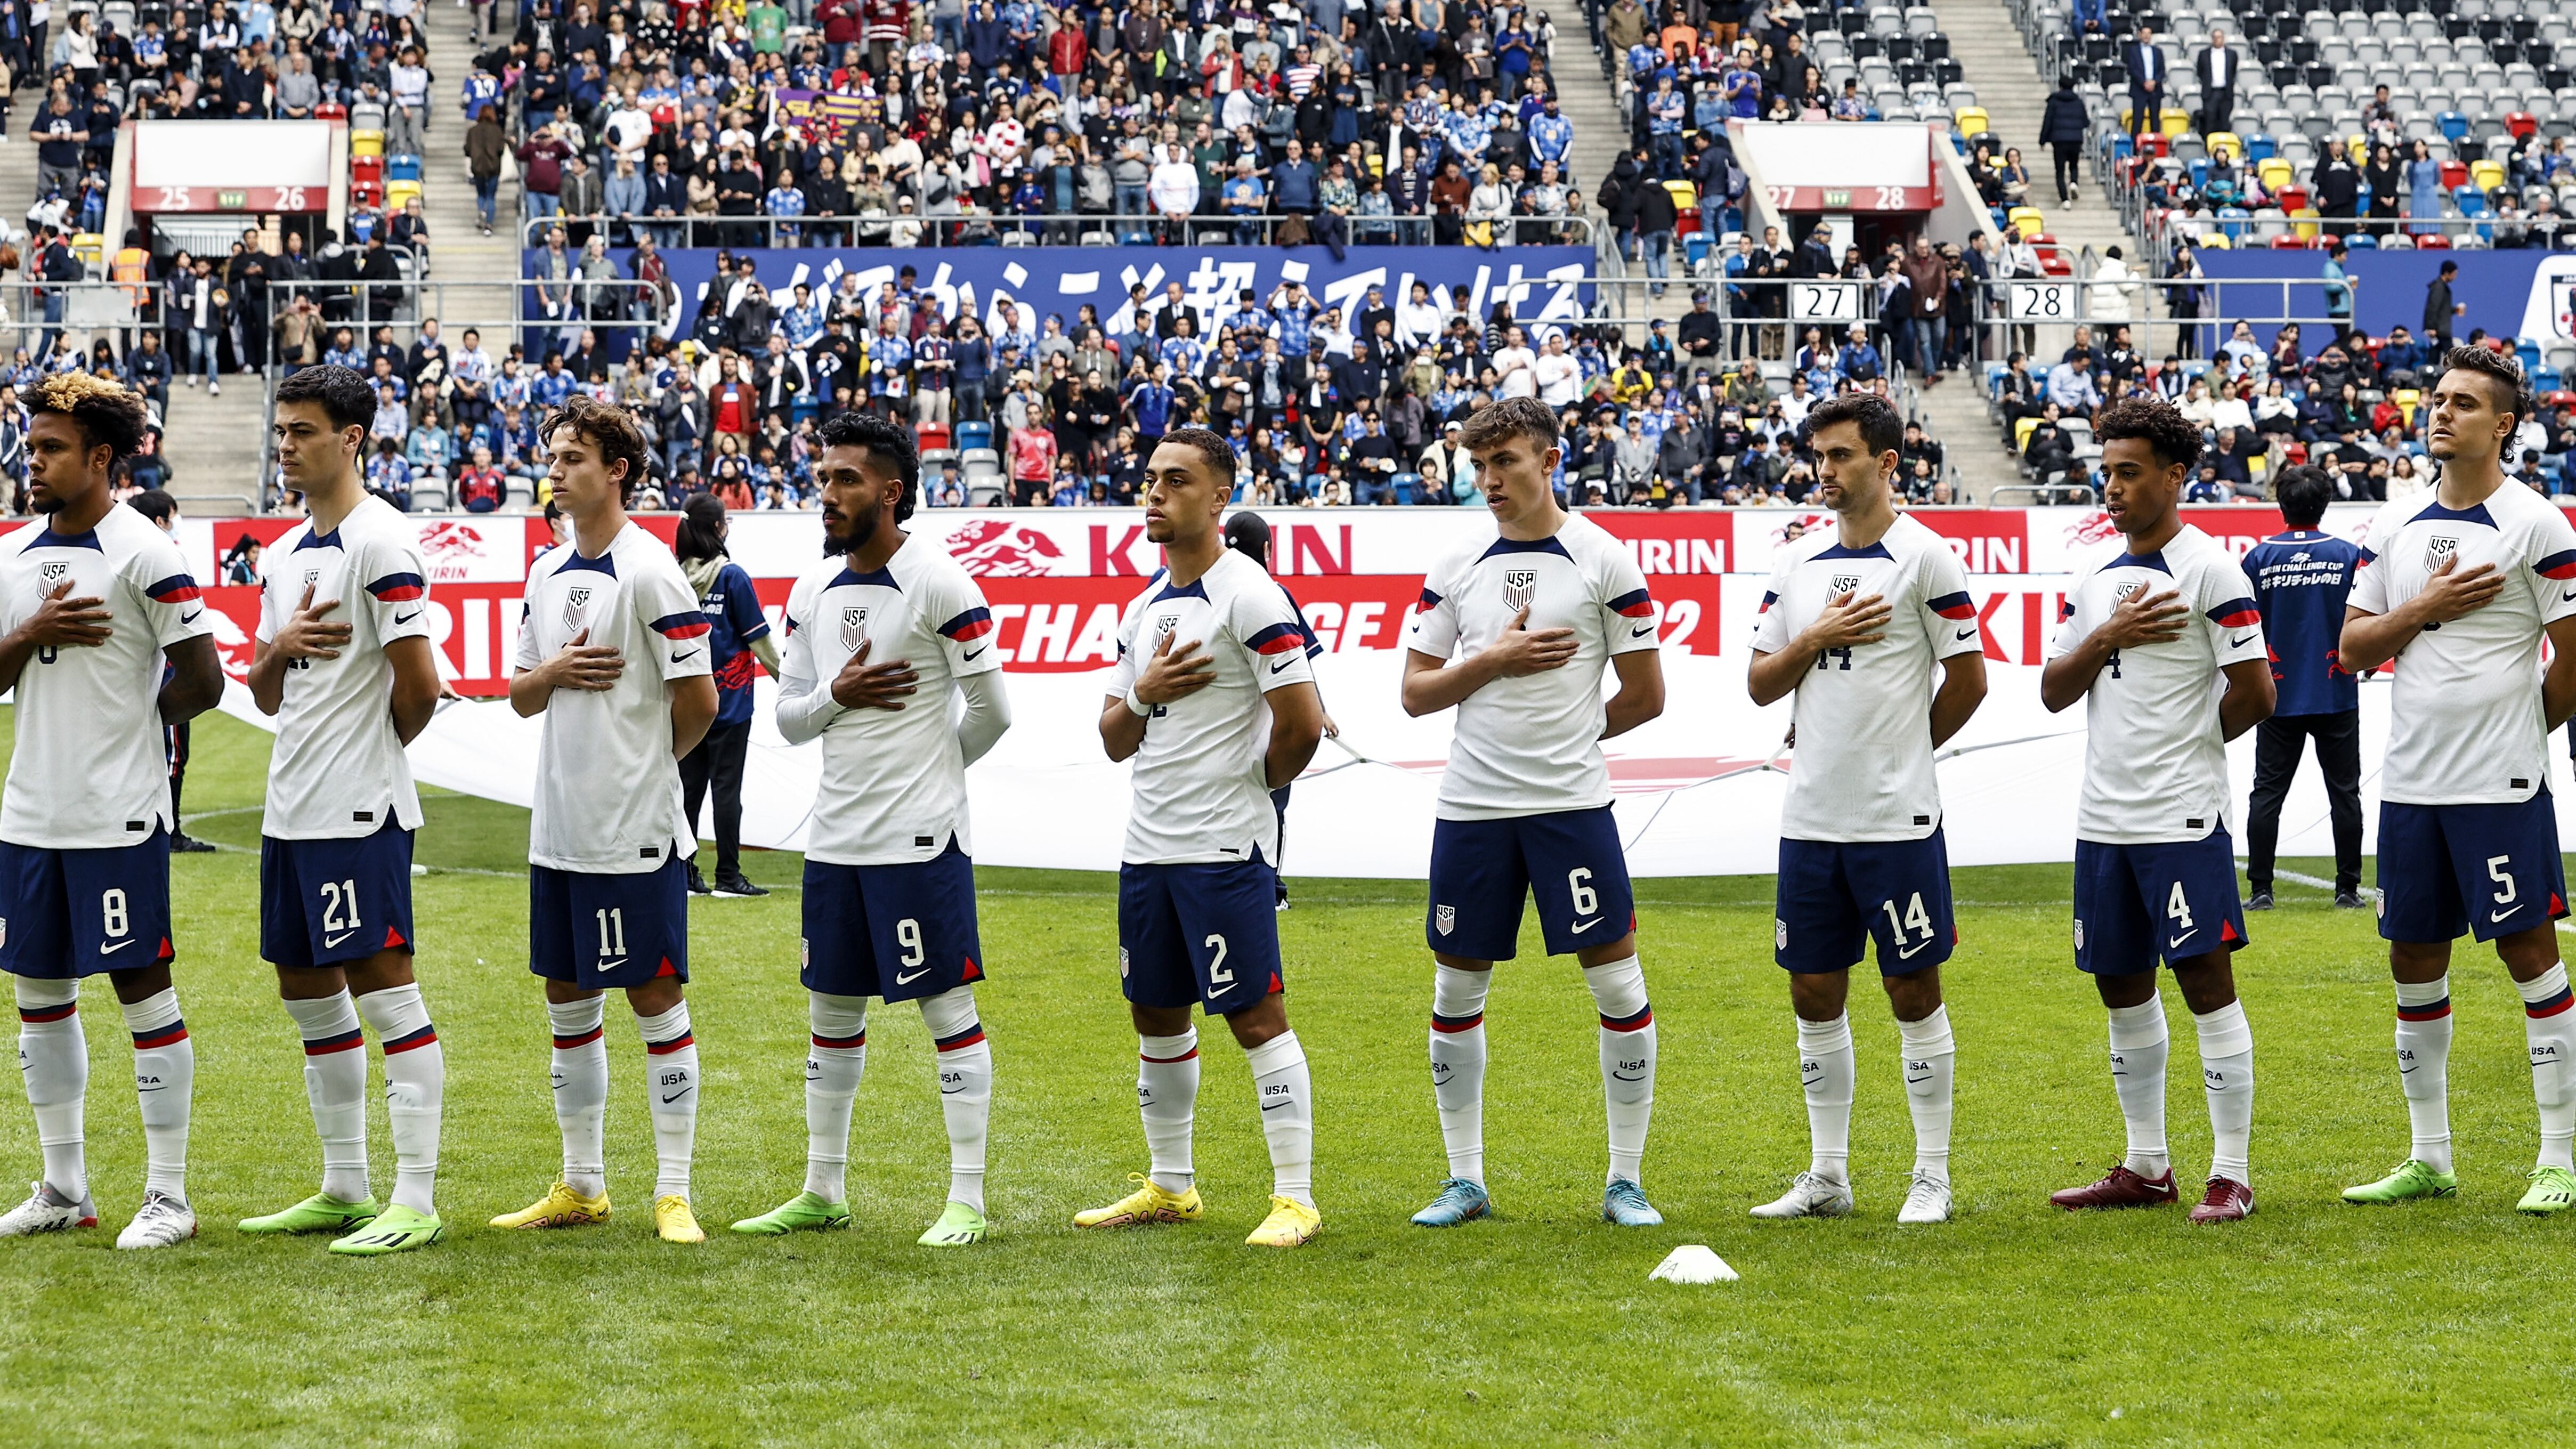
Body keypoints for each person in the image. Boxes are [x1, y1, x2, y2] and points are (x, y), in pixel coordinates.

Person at [732, 412, 1011, 1248]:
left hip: (919, 840)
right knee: (831, 1011)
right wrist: (836, 699)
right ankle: (823, 1189)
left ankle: (965, 1196)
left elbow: (994, 712)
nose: (827, 494)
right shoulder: (811, 588)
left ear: (890, 492)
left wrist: (931, 777)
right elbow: (787, 719)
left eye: (845, 480)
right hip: (835, 842)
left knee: (945, 1006)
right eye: (823, 477)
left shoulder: (941, 582)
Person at [1397, 395, 1670, 1229]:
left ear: (1549, 461)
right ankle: (1464, 1180)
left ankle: (1625, 1179)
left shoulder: (1603, 559)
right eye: (1479, 466)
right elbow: (1414, 694)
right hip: (1473, 808)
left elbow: (1646, 696)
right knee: (1455, 984)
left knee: (1617, 980)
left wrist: (1568, 738)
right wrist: (1492, 659)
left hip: (1569, 808)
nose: (1489, 480)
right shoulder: (1455, 564)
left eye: (1505, 463)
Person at [1075, 426, 1328, 1249]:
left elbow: (1303, 725)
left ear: (1219, 497)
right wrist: (1143, 692)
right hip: (1148, 846)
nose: (1154, 492)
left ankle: (1295, 1197)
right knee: (1155, 1013)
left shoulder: (1250, 594)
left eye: (1175, 480)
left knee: (1254, 1017)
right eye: (1149, 478)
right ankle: (1170, 1183)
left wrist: (1249, 789)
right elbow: (1114, 736)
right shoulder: (1143, 606)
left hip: (1223, 849)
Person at [2337, 346, 2576, 1216]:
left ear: (2501, 423)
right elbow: (2352, 649)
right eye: (2436, 398)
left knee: (2528, 958)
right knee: (2411, 959)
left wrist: (2515, 732)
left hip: (2499, 784)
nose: (2439, 412)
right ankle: (2427, 1156)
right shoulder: (2391, 530)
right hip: (2408, 785)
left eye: (2462, 403)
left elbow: (2570, 667)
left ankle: (2555, 1158)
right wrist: (2421, 608)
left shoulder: (2536, 524)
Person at [1744, 392, 1987, 1224]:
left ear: (1887, 463)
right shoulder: (1797, 563)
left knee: (1912, 988)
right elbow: (1758, 681)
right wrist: (1813, 639)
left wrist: (1906, 753)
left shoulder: (1927, 557)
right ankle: (1828, 1175)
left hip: (1896, 820)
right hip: (1810, 816)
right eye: (1818, 455)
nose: (1824, 471)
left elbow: (1968, 681)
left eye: (1841, 455)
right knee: (1813, 990)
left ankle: (1931, 1174)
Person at [2038, 396, 2275, 1223]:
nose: (2111, 487)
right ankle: (2146, 1165)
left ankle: (2231, 1172)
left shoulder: (2211, 571)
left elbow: (2256, 692)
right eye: (2104, 472)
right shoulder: (2091, 578)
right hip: (2102, 819)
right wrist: (2107, 635)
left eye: (2128, 472)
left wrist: (2190, 752)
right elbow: (2052, 692)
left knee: (2205, 983)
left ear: (2175, 477)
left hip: (2179, 819)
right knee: (2120, 987)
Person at [0, 375, 222, 1248]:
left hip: (118, 817)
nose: (34, 460)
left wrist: (133, 729)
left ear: (101, 457)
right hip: (27, 816)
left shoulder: (146, 553)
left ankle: (168, 1193)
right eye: (33, 443)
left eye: (52, 447)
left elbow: (204, 679)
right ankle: (64, 1184)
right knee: (39, 993)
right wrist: (30, 634)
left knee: (142, 990)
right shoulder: (14, 553)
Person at [490, 397, 717, 1245]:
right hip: (560, 827)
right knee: (567, 996)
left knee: (654, 996)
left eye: (573, 456)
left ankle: (673, 1189)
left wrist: (642, 765)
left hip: (634, 828)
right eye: (553, 455)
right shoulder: (545, 572)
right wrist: (551, 668)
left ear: (617, 470)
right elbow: (516, 696)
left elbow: (699, 700)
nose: (556, 469)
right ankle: (582, 1183)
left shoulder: (651, 569)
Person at [235, 365, 448, 1256]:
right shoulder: (283, 555)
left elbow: (420, 689)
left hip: (358, 809)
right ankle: (343, 1185)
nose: (287, 445)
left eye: (304, 430)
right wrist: (279, 646)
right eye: (281, 430)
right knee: (305, 990)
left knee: (385, 989)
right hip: (291, 809)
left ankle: (415, 1196)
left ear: (351, 437)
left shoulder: (382, 541)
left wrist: (366, 760)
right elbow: (265, 691)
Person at [2241, 465, 2364, 909]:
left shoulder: (2258, 558)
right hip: (2336, 691)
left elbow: (2243, 627)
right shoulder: (2348, 554)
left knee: (2267, 794)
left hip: (2277, 693)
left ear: (2281, 503)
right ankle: (2348, 890)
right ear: (2325, 503)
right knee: (2345, 794)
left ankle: (2261, 891)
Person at [670, 495, 780, 898]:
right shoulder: (733, 578)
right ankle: (729, 876)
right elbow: (761, 642)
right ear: (718, 528)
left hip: (685, 705)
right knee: (727, 792)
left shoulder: (673, 577)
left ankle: (683, 873)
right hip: (731, 705)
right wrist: (794, 684)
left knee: (687, 791)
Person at [1221, 513, 1333, 910]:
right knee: (1272, 805)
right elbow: (1297, 661)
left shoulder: (1204, 589)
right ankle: (1270, 889)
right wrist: (1317, 708)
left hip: (1216, 731)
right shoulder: (1272, 593)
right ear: (1267, 549)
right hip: (1270, 728)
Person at [2039, 75, 2089, 205]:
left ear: (2060, 86)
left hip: (2059, 140)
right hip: (2076, 139)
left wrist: (2043, 140)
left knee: (2060, 171)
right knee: (2074, 165)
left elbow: (2048, 121)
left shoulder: (2054, 101)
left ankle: (2065, 200)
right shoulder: (2078, 102)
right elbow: (2085, 122)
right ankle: (2073, 182)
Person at [2122, 23, 2167, 141]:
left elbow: (2162, 70)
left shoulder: (2158, 51)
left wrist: (2154, 82)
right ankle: (2135, 150)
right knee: (2137, 121)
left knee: (2155, 121)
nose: (2147, 36)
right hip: (2139, 89)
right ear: (2140, 35)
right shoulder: (2133, 51)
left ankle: (2155, 147)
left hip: (2155, 90)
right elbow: (2132, 69)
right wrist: (2144, 83)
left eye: (2149, 34)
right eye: (2144, 33)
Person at [2193, 28, 2236, 137]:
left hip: (2226, 94)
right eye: (2215, 37)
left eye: (2220, 37)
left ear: (2224, 39)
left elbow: (2233, 72)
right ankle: (2210, 150)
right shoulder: (2204, 54)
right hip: (2210, 93)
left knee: (2224, 124)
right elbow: (2200, 72)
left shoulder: (2232, 54)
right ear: (2212, 39)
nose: (2218, 40)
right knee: (2210, 123)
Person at [2423, 260, 2462, 353]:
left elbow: (2443, 309)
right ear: (2447, 273)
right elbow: (2433, 307)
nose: (2455, 277)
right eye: (2454, 274)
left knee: (2435, 355)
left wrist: (2455, 310)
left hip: (2440, 329)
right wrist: (2431, 327)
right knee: (2452, 356)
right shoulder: (2439, 288)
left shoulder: (2442, 287)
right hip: (2440, 330)